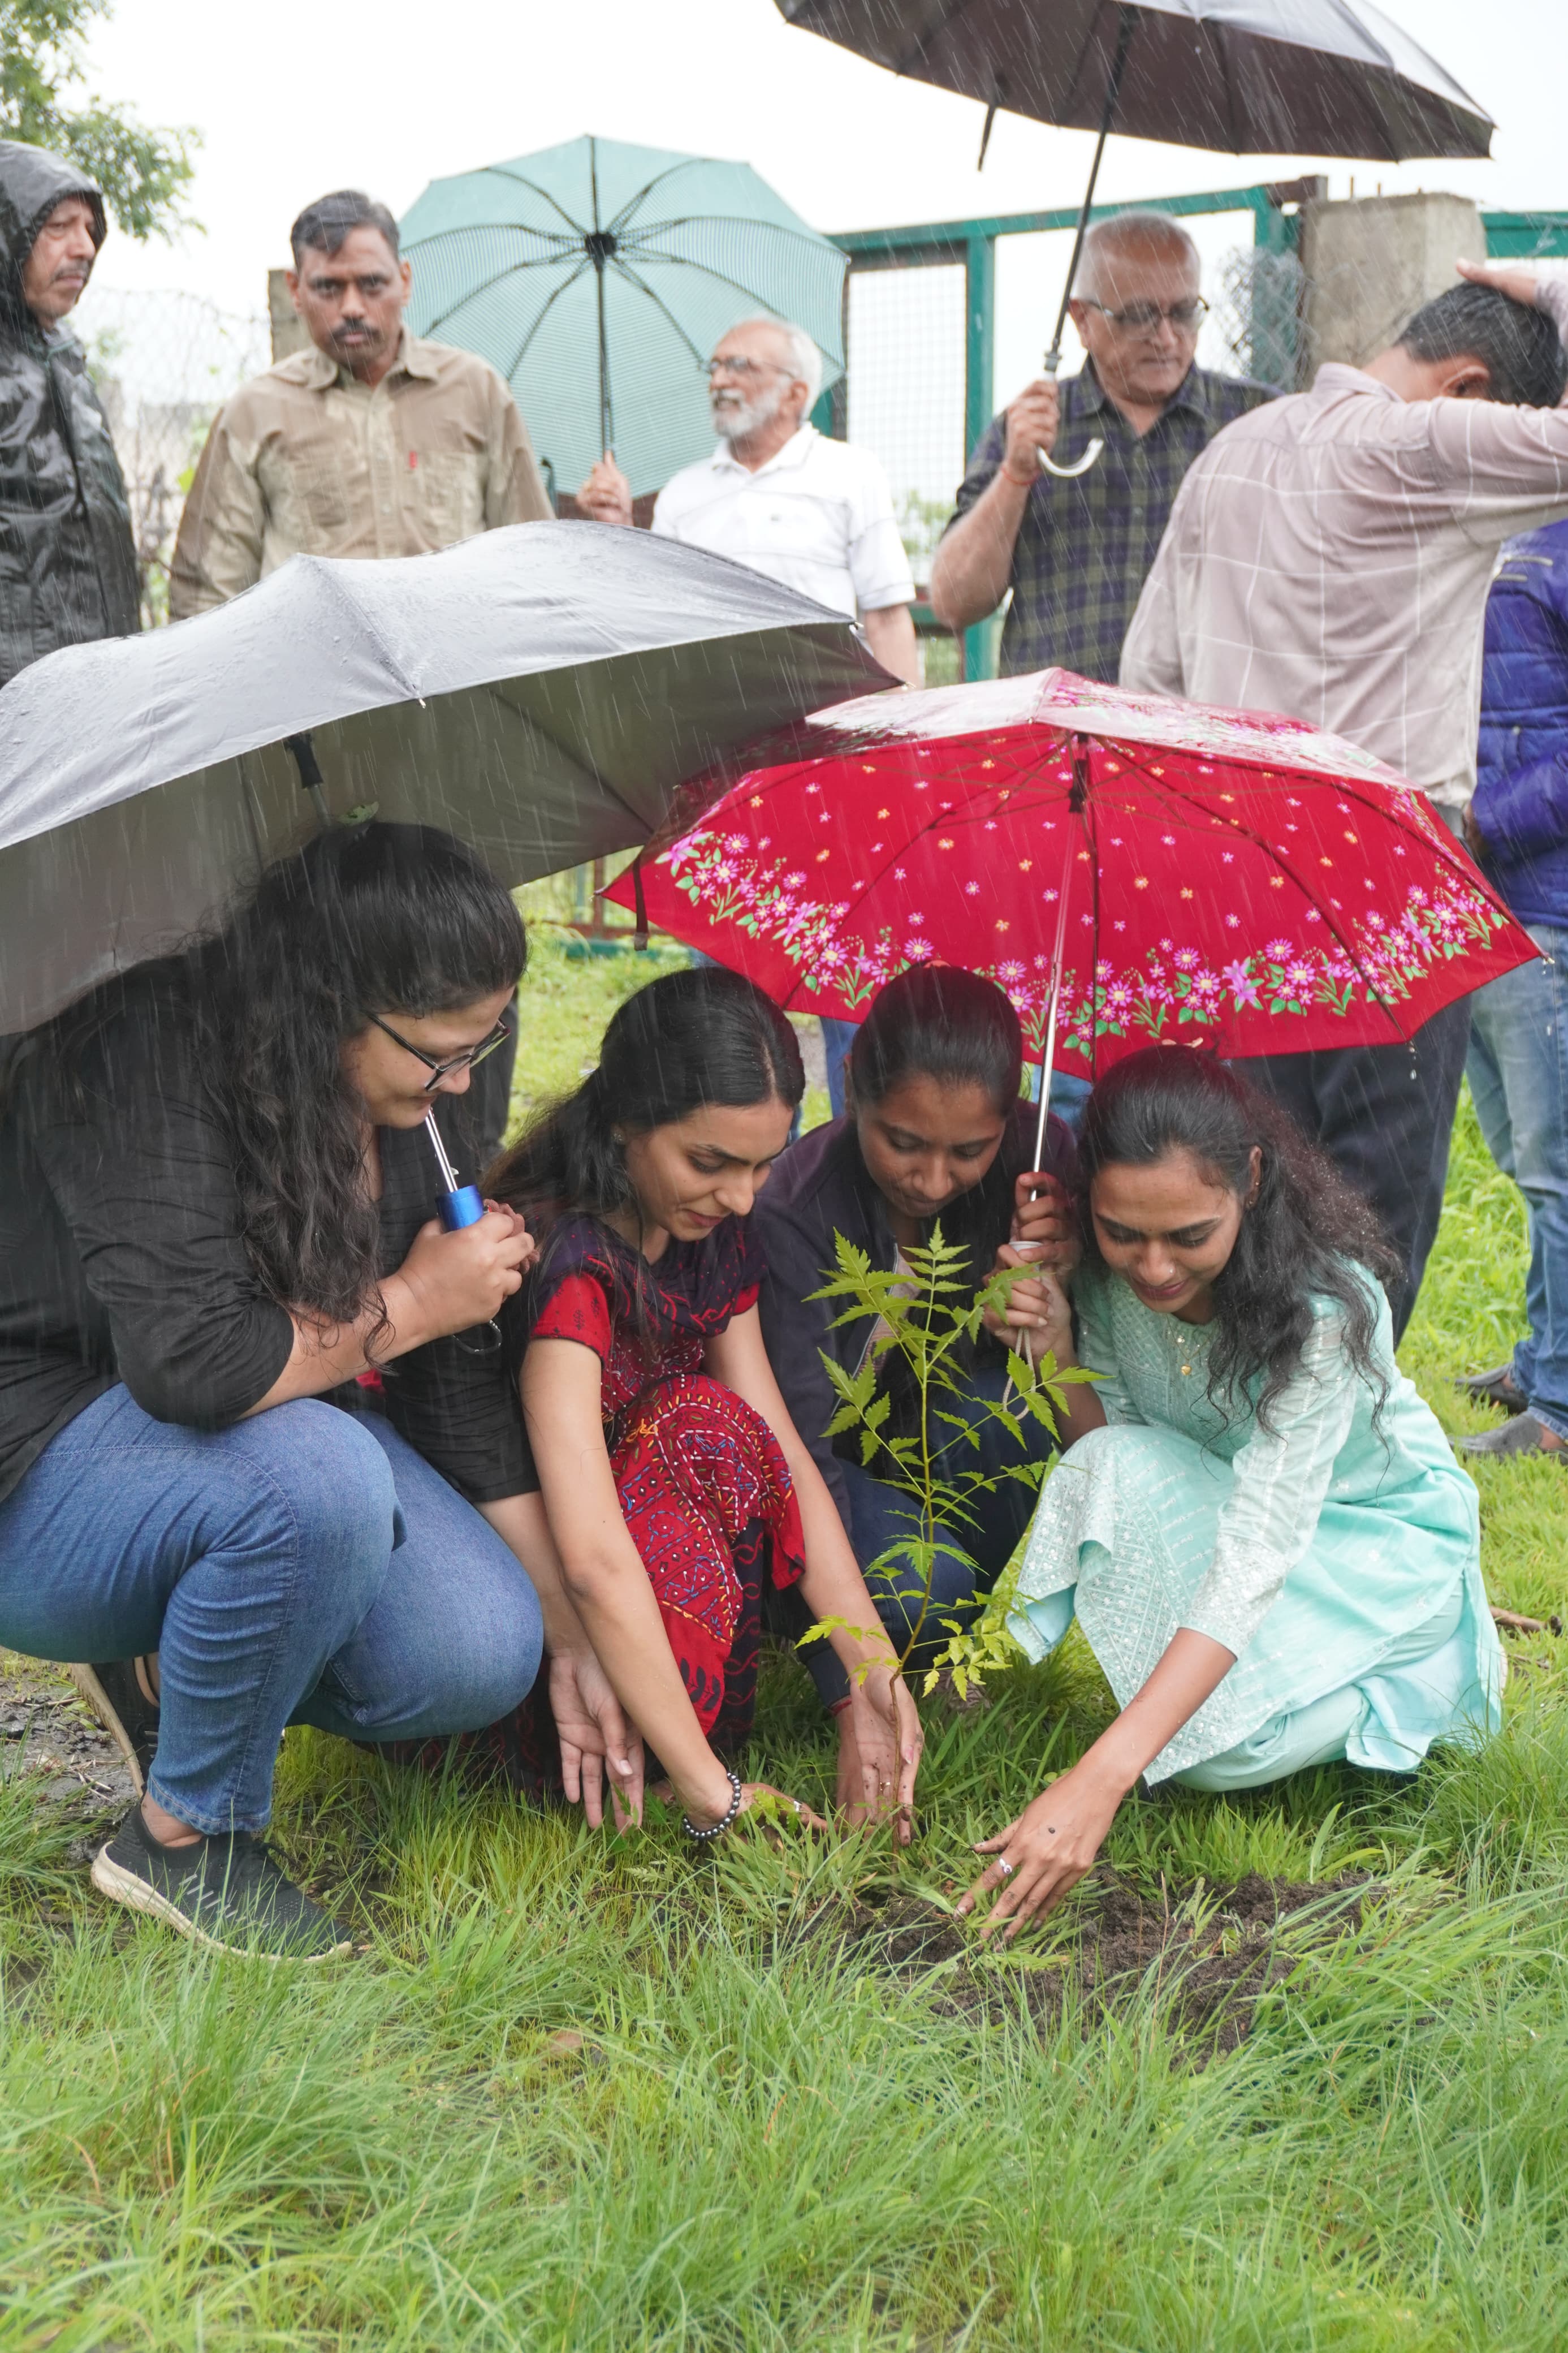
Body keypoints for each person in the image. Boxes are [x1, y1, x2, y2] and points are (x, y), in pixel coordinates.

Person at [0, 822, 564, 1959]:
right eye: (437, 1054)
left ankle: (182, 1641)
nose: (464, 1078)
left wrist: (573, 1614)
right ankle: (182, 1837)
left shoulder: (425, 1078)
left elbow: (448, 1370)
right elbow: (199, 1369)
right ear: (331, 998)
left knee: (476, 1650)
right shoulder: (134, 1048)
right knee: (322, 1479)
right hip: (44, 1442)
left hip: (260, 1427)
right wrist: (411, 1301)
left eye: (484, 1041)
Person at [960, 1049, 1501, 1941]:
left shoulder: (1324, 1312)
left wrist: (1102, 1776)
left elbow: (1256, 1550)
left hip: (1369, 1540)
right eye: (1122, 1231)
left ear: (1250, 1180)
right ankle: (1258, 1685)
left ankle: (1410, 1666)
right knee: (1109, 1499)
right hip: (1231, 1513)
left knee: (1211, 1757)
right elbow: (1120, 1463)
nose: (1155, 1266)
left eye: (1188, 1235)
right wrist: (1056, 1347)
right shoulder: (1106, 1277)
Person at [1122, 261, 1568, 1338]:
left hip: (1228, 879)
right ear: (1468, 394)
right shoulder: (1424, 444)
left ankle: (1246, 1418)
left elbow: (1148, 683)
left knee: (1249, 1173)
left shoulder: (1232, 451)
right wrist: (1554, 287)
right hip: (1385, 871)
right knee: (1369, 1201)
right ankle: (1326, 1439)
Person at [465, 964, 923, 1843]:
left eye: (764, 1164)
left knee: (727, 1430)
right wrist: (722, 1799)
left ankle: (676, 1747)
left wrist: (872, 1673)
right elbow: (591, 1556)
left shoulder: (708, 1231)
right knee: (696, 1427)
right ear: (623, 1123)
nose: (743, 1197)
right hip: (537, 1612)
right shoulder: (569, 1260)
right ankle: (661, 1770)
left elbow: (780, 1449)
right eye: (709, 1162)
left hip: (630, 1593)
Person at [171, 189, 552, 1159]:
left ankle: (462, 1169)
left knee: (469, 952)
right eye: (328, 286)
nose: (352, 306)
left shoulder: (475, 392)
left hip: (455, 741)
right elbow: (205, 594)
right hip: (311, 755)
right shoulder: (259, 411)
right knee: (321, 965)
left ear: (405, 282)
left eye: (371, 284)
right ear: (296, 291)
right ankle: (319, 1179)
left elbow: (529, 560)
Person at [577, 313, 921, 1120]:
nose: (721, 379)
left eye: (743, 366)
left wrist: (905, 746)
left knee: (845, 978)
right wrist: (618, 534)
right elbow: (649, 623)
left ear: (798, 392)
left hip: (833, 765)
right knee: (726, 976)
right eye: (716, 364)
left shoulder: (847, 474)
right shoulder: (688, 493)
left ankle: (850, 1164)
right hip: (721, 769)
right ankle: (740, 1163)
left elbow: (887, 616)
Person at [755, 967, 1077, 1689]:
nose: (932, 1181)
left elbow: (1083, 1353)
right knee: (920, 1588)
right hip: (819, 1468)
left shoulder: (1038, 1161)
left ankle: (938, 1643)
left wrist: (1060, 1267)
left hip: (930, 1437)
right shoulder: (796, 1210)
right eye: (903, 1142)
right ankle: (831, 1623)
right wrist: (854, 1674)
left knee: (1009, 1409)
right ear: (849, 1082)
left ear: (1011, 1113)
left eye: (969, 1151)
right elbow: (798, 1446)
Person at [928, 211, 1274, 686]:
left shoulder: (1257, 422)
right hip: (1066, 742)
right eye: (1138, 316)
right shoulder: (1031, 429)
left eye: (1183, 312)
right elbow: (953, 602)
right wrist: (1015, 473)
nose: (1166, 337)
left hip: (1209, 733)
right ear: (1082, 320)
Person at [1457, 518, 1568, 1460]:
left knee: (1554, 1167)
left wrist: (1478, 819)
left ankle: (1560, 1413)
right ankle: (1539, 1365)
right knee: (1523, 1158)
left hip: (1546, 906)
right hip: (1482, 901)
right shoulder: (1504, 518)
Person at [0, 139, 139, 687]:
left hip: (101, 676)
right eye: (58, 226)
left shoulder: (65, 354)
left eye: (90, 228)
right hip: (20, 696)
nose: (84, 247)